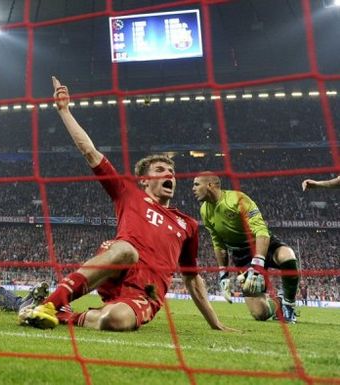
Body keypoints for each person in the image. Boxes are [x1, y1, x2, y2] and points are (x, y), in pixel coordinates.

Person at [18, 77, 235, 332]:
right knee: (126, 250)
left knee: (113, 320)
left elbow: (192, 278)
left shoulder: (187, 224)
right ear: (144, 179)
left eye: (172, 173)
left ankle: (66, 314)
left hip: (145, 293)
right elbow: (90, 151)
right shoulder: (128, 194)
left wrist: (215, 323)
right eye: (160, 170)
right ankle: (50, 304)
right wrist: (65, 111)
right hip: (119, 266)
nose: (169, 175)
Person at [192, 172, 300, 323]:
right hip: (241, 255)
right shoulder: (204, 210)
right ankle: (279, 304)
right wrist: (223, 274)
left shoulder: (238, 199)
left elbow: (261, 230)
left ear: (210, 185)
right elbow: (218, 243)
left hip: (262, 245)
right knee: (260, 314)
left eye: (197, 184)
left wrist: (258, 264)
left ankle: (289, 305)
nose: (193, 188)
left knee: (287, 255)